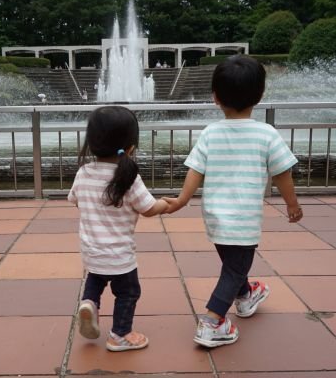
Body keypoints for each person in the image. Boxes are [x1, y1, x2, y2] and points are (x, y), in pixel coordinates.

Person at [163, 55, 303, 348]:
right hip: (244, 219)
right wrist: (292, 203)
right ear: (260, 95)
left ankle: (246, 295)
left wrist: (181, 200)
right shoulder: (266, 133)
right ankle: (212, 322)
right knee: (234, 268)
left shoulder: (211, 133)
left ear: (215, 97)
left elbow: (195, 171)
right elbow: (282, 173)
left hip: (215, 216)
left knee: (233, 265)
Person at [68, 106, 168, 352]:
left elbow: (74, 199)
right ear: (131, 147)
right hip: (120, 255)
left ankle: (89, 303)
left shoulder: (84, 172)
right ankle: (120, 334)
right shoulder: (128, 178)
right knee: (128, 292)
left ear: (90, 144)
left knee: (95, 280)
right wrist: (165, 205)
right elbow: (148, 208)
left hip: (92, 251)